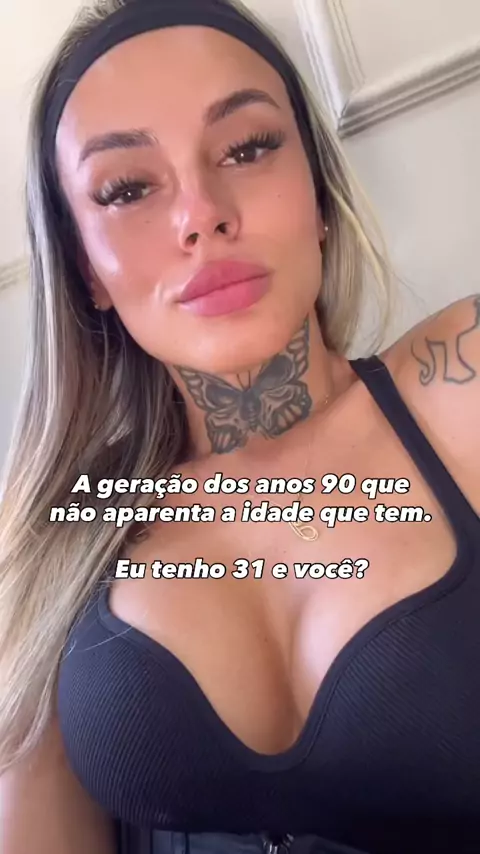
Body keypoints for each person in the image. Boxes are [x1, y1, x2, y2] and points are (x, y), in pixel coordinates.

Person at [0, 0, 479, 852]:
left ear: (319, 194)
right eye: (127, 189)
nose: (201, 214)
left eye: (248, 148)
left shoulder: (461, 380)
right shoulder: (55, 533)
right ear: (87, 270)